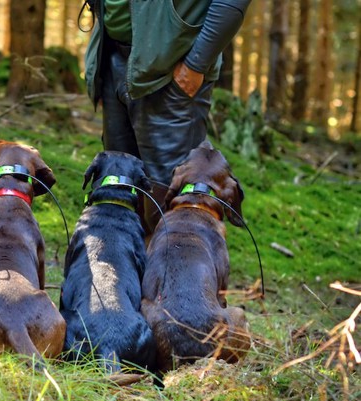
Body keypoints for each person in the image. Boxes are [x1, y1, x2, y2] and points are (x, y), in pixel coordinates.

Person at [83, 0, 251, 232]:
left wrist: (197, 63)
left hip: (174, 70)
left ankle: (174, 267)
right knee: (121, 196)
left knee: (171, 210)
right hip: (113, 56)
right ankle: (128, 267)